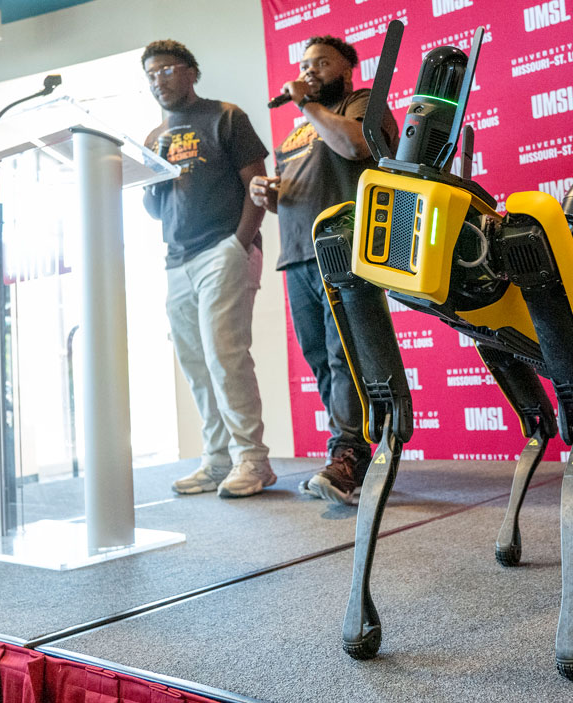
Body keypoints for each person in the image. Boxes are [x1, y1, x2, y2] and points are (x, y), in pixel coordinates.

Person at [249, 35, 397, 504]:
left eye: (321, 63)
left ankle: (348, 456)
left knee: (345, 355)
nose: (309, 70)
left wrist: (307, 105)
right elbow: (304, 189)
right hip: (297, 255)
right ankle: (347, 452)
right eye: (304, 64)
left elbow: (356, 149)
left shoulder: (361, 103)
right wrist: (269, 197)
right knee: (321, 360)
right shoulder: (299, 129)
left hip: (344, 249)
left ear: (347, 67)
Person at [141, 39, 276, 498]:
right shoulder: (154, 137)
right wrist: (151, 180)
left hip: (223, 248)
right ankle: (218, 460)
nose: (158, 80)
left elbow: (255, 182)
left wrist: (240, 243)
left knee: (225, 355)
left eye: (166, 70)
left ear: (191, 72)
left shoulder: (226, 116)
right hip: (176, 259)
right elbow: (158, 211)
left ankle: (252, 461)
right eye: (150, 75)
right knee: (196, 364)